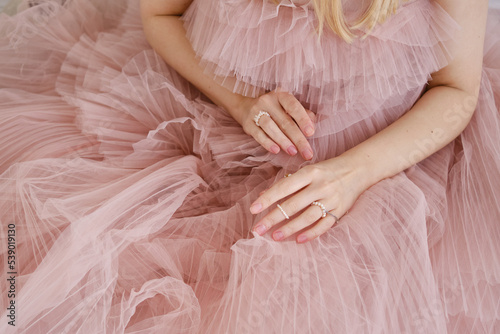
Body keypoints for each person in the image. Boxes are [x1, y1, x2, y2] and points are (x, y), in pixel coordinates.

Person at [0, 0, 498, 332]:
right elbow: (161, 16)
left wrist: (353, 174)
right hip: (213, 129)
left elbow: (456, 90)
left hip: (389, 157)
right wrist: (241, 101)